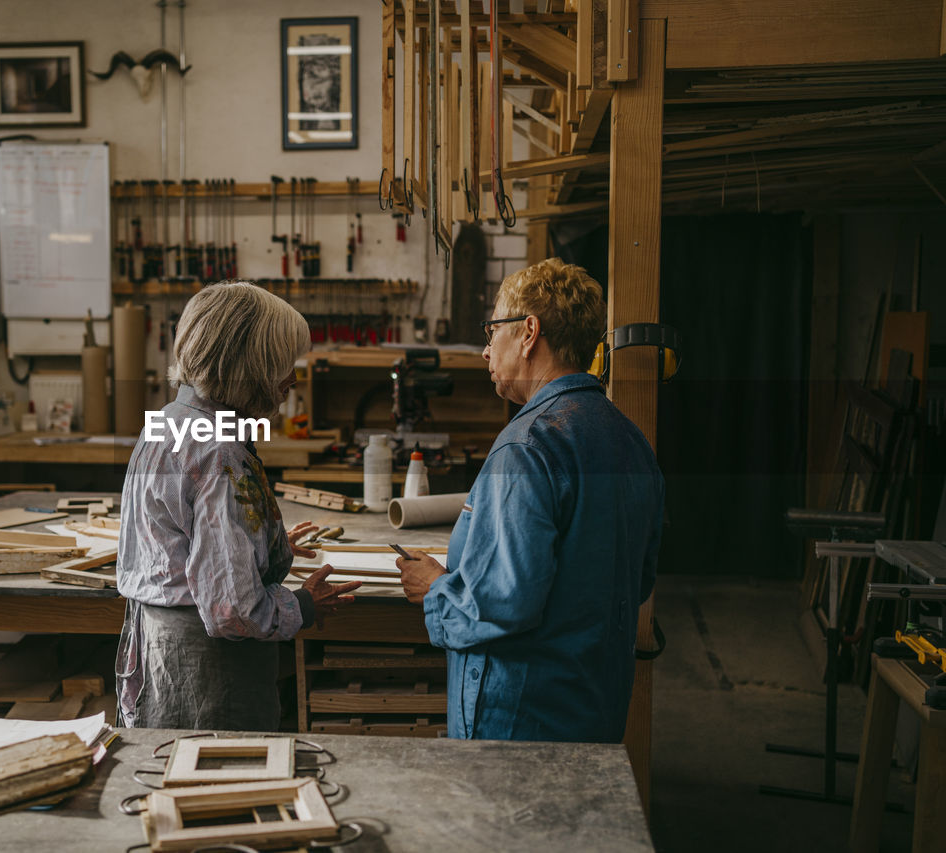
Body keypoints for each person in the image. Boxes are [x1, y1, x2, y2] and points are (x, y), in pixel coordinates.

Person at [395, 258, 664, 742]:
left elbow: (500, 606)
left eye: (492, 329)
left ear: (528, 332)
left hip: (520, 720)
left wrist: (434, 587)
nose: (484, 350)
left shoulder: (527, 446)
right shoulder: (630, 440)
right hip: (595, 707)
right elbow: (639, 579)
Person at [115, 282, 362, 731]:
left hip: (160, 650)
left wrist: (254, 543)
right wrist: (304, 605)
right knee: (222, 783)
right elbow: (233, 610)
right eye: (283, 365)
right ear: (250, 368)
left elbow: (176, 543)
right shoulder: (219, 451)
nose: (291, 379)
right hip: (209, 670)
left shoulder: (166, 422)